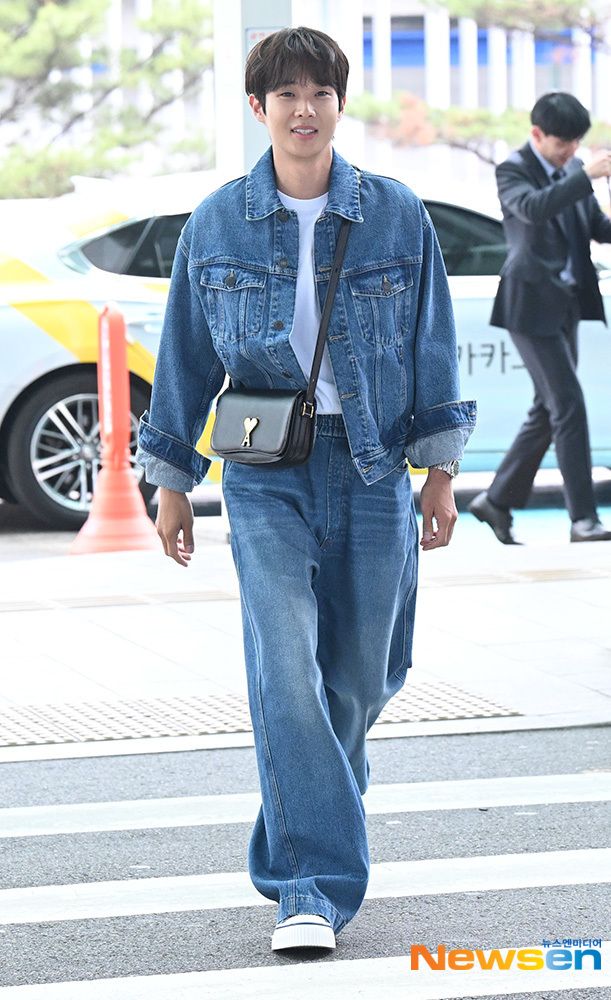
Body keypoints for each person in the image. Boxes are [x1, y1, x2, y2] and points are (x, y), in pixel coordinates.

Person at [136, 26, 475, 953]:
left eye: (318, 92)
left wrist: (439, 471)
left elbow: (431, 339)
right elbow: (184, 357)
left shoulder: (395, 212)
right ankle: (309, 888)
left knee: (362, 676)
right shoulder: (215, 222)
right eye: (282, 93)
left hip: (372, 466)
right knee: (283, 669)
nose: (301, 108)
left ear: (337, 103)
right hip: (262, 474)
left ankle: (319, 808)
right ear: (257, 109)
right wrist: (171, 482)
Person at [469, 91, 611, 544]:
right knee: (567, 403)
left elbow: (599, 230)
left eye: (575, 143)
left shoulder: (574, 172)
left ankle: (497, 500)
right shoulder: (512, 169)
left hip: (567, 303)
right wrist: (585, 176)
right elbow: (532, 209)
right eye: (561, 142)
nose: (569, 151)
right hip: (527, 305)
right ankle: (583, 519)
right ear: (536, 135)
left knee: (548, 411)